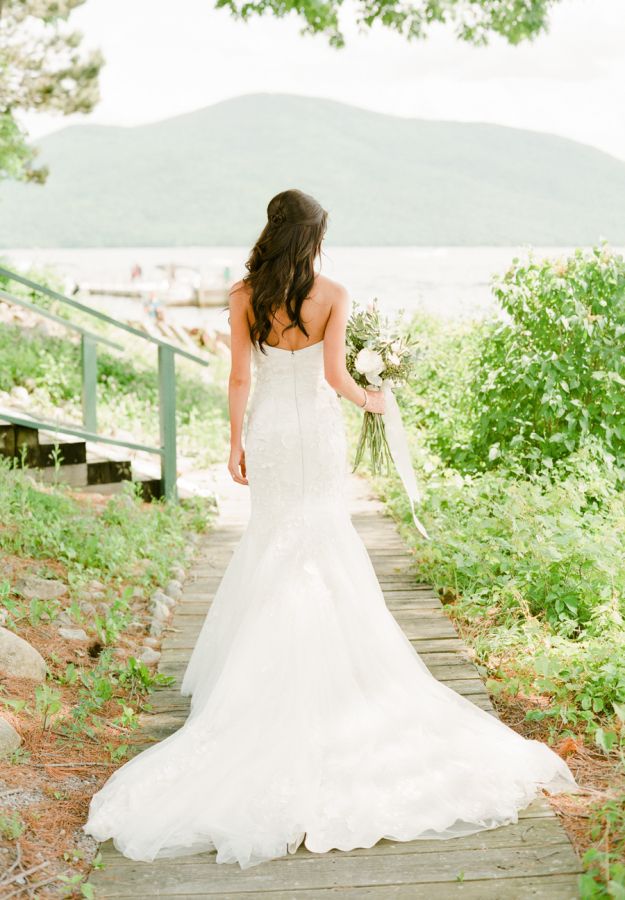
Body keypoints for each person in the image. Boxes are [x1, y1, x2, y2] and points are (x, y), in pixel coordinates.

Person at [83, 189, 577, 869]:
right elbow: (335, 375)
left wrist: (234, 442)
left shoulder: (242, 295)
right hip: (313, 434)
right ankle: (333, 673)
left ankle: (262, 676)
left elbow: (235, 377)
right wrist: (374, 397)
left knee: (273, 541)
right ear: (314, 237)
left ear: (270, 231)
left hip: (270, 432)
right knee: (319, 539)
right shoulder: (333, 293)